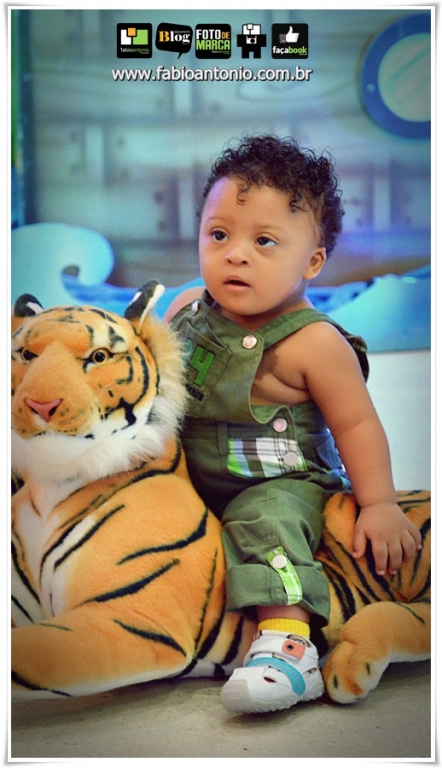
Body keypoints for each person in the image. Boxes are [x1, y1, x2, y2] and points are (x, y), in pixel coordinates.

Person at [165, 134, 421, 714]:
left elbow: (357, 426)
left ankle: (288, 646)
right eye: (219, 235)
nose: (235, 254)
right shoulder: (185, 309)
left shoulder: (314, 343)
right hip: (192, 472)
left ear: (311, 263)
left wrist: (379, 503)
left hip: (280, 481)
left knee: (268, 522)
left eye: (264, 241)